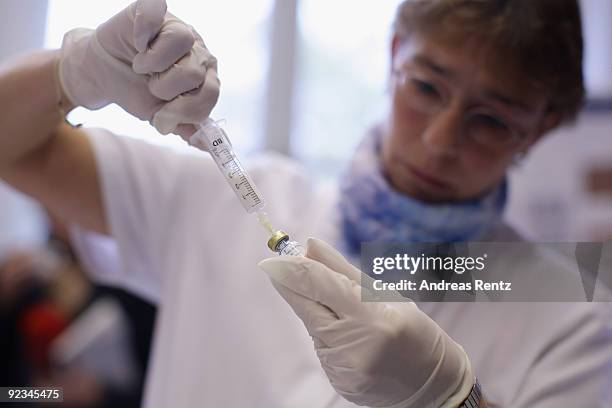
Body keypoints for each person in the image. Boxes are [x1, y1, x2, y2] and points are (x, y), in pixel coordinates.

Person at [1, 0, 611, 407]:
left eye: (491, 119)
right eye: (426, 87)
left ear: (545, 125)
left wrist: (453, 398)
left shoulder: (576, 308)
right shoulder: (216, 200)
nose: (439, 140)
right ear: (395, 51)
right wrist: (74, 75)